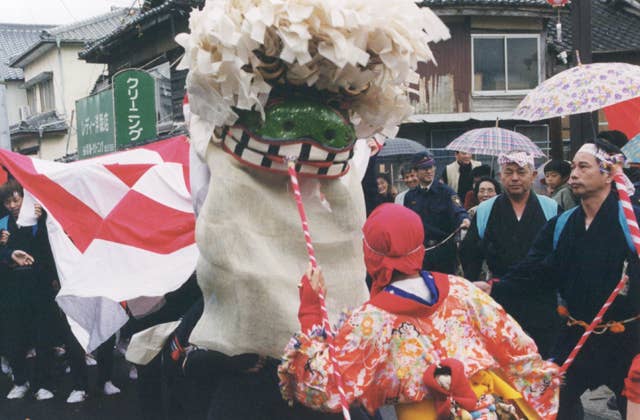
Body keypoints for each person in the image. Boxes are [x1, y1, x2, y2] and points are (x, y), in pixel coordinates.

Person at [279, 204, 559, 419]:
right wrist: (540, 379)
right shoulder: (461, 290)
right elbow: (515, 345)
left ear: (371, 255)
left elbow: (326, 388)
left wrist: (312, 310)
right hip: (484, 410)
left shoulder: (371, 319)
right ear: (420, 246)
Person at [473, 139, 640, 419]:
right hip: (576, 332)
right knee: (552, 402)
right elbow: (536, 270)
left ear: (609, 173)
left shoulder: (632, 222)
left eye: (583, 166)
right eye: (573, 166)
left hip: (627, 338)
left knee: (631, 409)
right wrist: (494, 286)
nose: (573, 173)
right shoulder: (563, 224)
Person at [460, 151, 561, 357]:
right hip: (500, 296)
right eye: (509, 172)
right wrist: (471, 289)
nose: (515, 178)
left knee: (545, 362)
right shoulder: (485, 210)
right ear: (500, 176)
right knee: (505, 361)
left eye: (521, 172)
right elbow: (470, 254)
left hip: (542, 298)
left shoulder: (550, 207)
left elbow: (562, 253)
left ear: (533, 176)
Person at [0, 179, 58, 400]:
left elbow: (49, 249)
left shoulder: (38, 219)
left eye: (16, 200)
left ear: (24, 198)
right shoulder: (3, 224)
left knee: (43, 337)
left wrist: (43, 221)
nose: (13, 205)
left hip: (39, 287)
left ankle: (44, 384)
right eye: (8, 202)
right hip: (11, 291)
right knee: (13, 338)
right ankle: (20, 382)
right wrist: (4, 250)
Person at [403, 152, 470, 274]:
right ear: (416, 171)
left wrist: (464, 219)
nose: (429, 171)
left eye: (431, 167)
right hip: (421, 253)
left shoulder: (447, 192)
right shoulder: (410, 197)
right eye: (424, 168)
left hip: (444, 252)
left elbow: (458, 209)